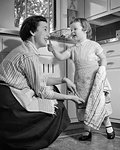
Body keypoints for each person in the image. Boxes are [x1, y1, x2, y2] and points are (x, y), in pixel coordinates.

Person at [0, 15, 84, 150]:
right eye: (45, 29)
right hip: (9, 99)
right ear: (33, 32)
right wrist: (70, 97)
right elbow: (41, 90)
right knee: (58, 105)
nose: (48, 34)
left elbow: (40, 78)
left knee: (55, 90)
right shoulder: (29, 54)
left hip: (7, 94)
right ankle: (30, 143)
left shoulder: (27, 50)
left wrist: (64, 79)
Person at [48, 18, 115, 140]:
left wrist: (103, 69)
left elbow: (103, 58)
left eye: (75, 28)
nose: (72, 31)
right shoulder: (73, 48)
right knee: (83, 106)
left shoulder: (94, 45)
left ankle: (109, 127)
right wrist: (53, 50)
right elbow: (62, 57)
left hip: (95, 81)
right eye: (71, 29)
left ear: (85, 29)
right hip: (81, 82)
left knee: (100, 104)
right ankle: (86, 131)